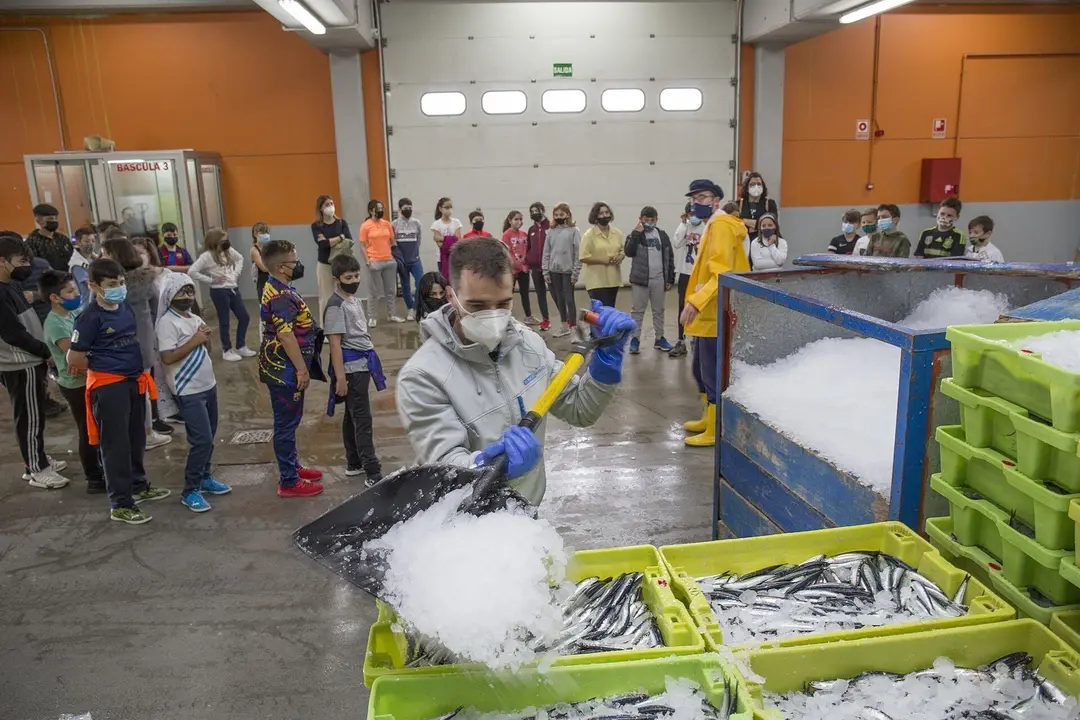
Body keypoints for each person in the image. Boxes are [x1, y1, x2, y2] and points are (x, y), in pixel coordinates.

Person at [396, 237, 634, 506]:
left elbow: (580, 410)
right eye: (477, 306)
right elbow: (443, 472)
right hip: (462, 528)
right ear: (452, 295)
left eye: (503, 304)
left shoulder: (528, 345)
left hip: (526, 517)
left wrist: (605, 364)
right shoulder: (423, 375)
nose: (493, 316)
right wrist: (493, 467)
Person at [68, 257, 172, 524]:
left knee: (136, 438)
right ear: (93, 286)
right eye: (112, 284)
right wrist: (107, 365)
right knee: (115, 445)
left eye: (121, 282)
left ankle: (138, 486)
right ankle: (120, 503)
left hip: (133, 381)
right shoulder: (89, 318)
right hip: (109, 386)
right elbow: (75, 359)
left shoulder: (123, 306)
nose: (120, 288)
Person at [680, 179, 749, 448]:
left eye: (704, 196)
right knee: (701, 369)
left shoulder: (720, 226)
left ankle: (716, 429)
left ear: (717, 200)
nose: (698, 201)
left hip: (714, 311)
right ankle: (708, 419)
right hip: (708, 312)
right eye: (695, 196)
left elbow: (721, 271)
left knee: (712, 372)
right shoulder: (713, 225)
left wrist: (696, 302)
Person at [0, 233, 69, 489]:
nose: (25, 266)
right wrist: (45, 351)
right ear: (1, 261)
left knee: (36, 414)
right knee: (29, 417)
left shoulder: (11, 285)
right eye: (20, 260)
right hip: (20, 363)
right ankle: (36, 468)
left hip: (30, 360)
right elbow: (14, 334)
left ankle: (37, 457)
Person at [157, 275, 231, 512]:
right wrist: (195, 339)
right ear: (170, 295)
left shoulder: (194, 317)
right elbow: (167, 357)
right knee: (201, 439)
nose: (187, 297)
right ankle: (190, 491)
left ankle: (205, 477)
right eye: (181, 292)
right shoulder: (167, 322)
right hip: (188, 389)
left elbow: (206, 349)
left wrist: (205, 338)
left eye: (190, 292)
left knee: (210, 433)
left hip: (207, 385)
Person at [258, 240, 325, 498]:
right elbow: (286, 335)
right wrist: (301, 370)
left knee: (290, 421)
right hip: (283, 368)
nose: (298, 265)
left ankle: (293, 467)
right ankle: (288, 481)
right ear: (282, 266)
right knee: (285, 423)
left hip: (284, 365)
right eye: (294, 262)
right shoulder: (279, 296)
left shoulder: (279, 287)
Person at [101, 236, 174, 447]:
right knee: (141, 390)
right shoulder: (146, 281)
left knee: (132, 392)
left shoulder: (108, 286)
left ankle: (140, 434)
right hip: (141, 344)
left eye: (105, 253)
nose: (101, 257)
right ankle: (146, 432)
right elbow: (154, 312)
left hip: (116, 346)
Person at [41, 270, 103, 493]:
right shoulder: (55, 324)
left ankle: (100, 468)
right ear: (54, 297)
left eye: (76, 289)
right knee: (87, 429)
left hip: (87, 378)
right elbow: (75, 357)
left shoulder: (75, 311)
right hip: (75, 384)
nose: (76, 294)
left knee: (97, 427)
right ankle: (94, 478)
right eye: (70, 291)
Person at [325, 254, 385, 488]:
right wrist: (340, 377)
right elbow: (335, 344)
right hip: (352, 370)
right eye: (348, 277)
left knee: (352, 417)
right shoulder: (335, 306)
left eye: (357, 275)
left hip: (363, 364)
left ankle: (354, 463)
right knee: (362, 419)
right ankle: (373, 472)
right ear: (336, 279)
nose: (354, 280)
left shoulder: (352, 300)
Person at [188, 228, 253, 362]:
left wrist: (235, 274)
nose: (226, 243)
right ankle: (227, 349)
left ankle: (241, 346)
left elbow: (240, 258)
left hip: (233, 288)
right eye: (223, 240)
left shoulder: (228, 251)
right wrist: (211, 280)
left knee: (244, 317)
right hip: (219, 291)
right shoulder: (206, 256)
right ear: (215, 241)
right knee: (225, 321)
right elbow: (192, 271)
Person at [624, 206, 674, 354]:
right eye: (646, 220)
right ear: (640, 219)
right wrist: (635, 234)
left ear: (657, 220)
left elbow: (669, 256)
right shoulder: (635, 235)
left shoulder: (662, 235)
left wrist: (670, 277)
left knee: (658, 310)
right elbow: (629, 252)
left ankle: (660, 338)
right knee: (637, 311)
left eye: (652, 220)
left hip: (659, 279)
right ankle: (635, 339)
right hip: (640, 280)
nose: (649, 223)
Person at [359, 199, 404, 325]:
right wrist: (367, 261)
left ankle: (392, 314)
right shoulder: (365, 225)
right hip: (374, 261)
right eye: (377, 208)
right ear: (370, 211)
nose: (380, 210)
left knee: (391, 290)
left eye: (381, 208)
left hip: (389, 260)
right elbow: (362, 245)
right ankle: (372, 317)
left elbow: (392, 241)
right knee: (373, 291)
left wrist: (396, 257)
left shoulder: (386, 224)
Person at [542, 202, 582, 338]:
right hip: (554, 271)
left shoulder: (574, 231)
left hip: (568, 271)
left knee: (569, 299)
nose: (559, 217)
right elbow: (546, 252)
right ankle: (564, 326)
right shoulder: (551, 232)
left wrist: (576, 272)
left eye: (562, 214)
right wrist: (546, 271)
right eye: (556, 215)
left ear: (568, 215)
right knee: (559, 299)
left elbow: (578, 253)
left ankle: (574, 328)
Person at [311, 194, 354, 322]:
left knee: (344, 296)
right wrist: (340, 238)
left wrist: (330, 241)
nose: (331, 206)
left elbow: (349, 240)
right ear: (321, 208)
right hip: (325, 265)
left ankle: (344, 325)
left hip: (341, 265)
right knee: (326, 297)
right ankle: (326, 329)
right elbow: (323, 244)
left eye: (332, 203)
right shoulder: (316, 226)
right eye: (327, 204)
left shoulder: (341, 223)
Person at [669, 202, 703, 359]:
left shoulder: (706, 226)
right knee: (683, 306)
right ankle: (681, 340)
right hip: (685, 272)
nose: (694, 216)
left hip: (700, 273)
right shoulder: (686, 226)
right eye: (691, 213)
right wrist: (683, 224)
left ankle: (697, 339)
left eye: (696, 213)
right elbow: (676, 243)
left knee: (699, 307)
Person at [580, 202, 624, 307]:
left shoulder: (617, 233)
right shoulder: (589, 235)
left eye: (607, 212)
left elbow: (622, 250)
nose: (605, 215)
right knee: (599, 312)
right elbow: (583, 256)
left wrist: (621, 256)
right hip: (596, 281)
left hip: (613, 279)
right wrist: (602, 260)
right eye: (601, 213)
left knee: (610, 310)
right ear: (595, 216)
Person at [393, 197, 424, 321]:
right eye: (406, 208)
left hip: (415, 260)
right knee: (405, 286)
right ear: (400, 209)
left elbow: (419, 239)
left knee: (420, 283)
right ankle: (410, 309)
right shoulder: (394, 224)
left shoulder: (417, 223)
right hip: (402, 261)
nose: (408, 210)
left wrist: (415, 254)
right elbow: (393, 242)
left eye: (410, 208)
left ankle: (417, 308)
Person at [501, 210, 533, 321]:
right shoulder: (506, 235)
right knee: (509, 294)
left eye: (520, 219)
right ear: (510, 221)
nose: (518, 222)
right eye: (516, 219)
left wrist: (526, 264)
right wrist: (519, 265)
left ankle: (528, 316)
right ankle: (506, 317)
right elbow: (507, 253)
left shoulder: (524, 234)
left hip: (524, 269)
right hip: (512, 270)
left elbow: (529, 250)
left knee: (525, 294)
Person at [525, 202, 551, 331]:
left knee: (556, 293)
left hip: (550, 268)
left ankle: (566, 320)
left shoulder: (551, 227)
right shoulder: (531, 230)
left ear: (543, 210)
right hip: (535, 268)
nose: (535, 213)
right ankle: (545, 319)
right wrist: (528, 261)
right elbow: (528, 247)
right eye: (532, 211)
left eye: (537, 210)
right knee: (540, 294)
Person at [26, 203, 73, 271]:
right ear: (38, 220)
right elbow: (35, 264)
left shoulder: (63, 238)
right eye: (50, 218)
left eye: (55, 218)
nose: (54, 221)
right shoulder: (32, 241)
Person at [738, 172, 779, 250]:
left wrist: (744, 221)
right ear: (747, 188)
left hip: (764, 245)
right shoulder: (739, 204)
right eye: (752, 184)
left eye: (759, 184)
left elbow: (772, 224)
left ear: (763, 187)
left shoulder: (769, 204)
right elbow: (734, 224)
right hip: (744, 245)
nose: (756, 186)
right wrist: (758, 224)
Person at [431, 197, 463, 280]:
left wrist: (443, 239)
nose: (449, 209)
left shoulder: (456, 222)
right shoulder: (436, 224)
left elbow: (458, 239)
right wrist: (451, 239)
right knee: (444, 280)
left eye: (451, 207)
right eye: (447, 207)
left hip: (454, 256)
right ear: (440, 208)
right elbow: (439, 244)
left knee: (456, 280)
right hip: (441, 258)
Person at [70, 226, 97, 306]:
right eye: (87, 241)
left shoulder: (95, 258)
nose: (91, 244)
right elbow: (91, 285)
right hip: (87, 304)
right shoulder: (77, 264)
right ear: (78, 243)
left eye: (93, 241)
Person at [250, 222, 271, 301]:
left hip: (274, 279)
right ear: (255, 234)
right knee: (265, 307)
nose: (265, 234)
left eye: (267, 232)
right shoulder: (254, 250)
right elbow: (264, 268)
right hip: (263, 281)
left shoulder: (270, 246)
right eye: (262, 233)